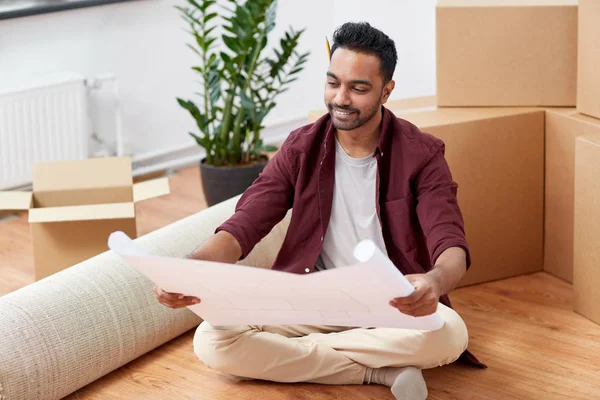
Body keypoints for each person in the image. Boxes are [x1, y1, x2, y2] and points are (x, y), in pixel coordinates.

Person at [153, 21, 484, 400]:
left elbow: (450, 243)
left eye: (358, 88)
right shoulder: (301, 147)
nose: (341, 98)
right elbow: (243, 225)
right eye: (333, 82)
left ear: (386, 91)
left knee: (450, 334)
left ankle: (326, 360)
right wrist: (188, 270)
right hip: (311, 297)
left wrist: (435, 282)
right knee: (212, 340)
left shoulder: (422, 154)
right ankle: (380, 372)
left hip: (392, 306)